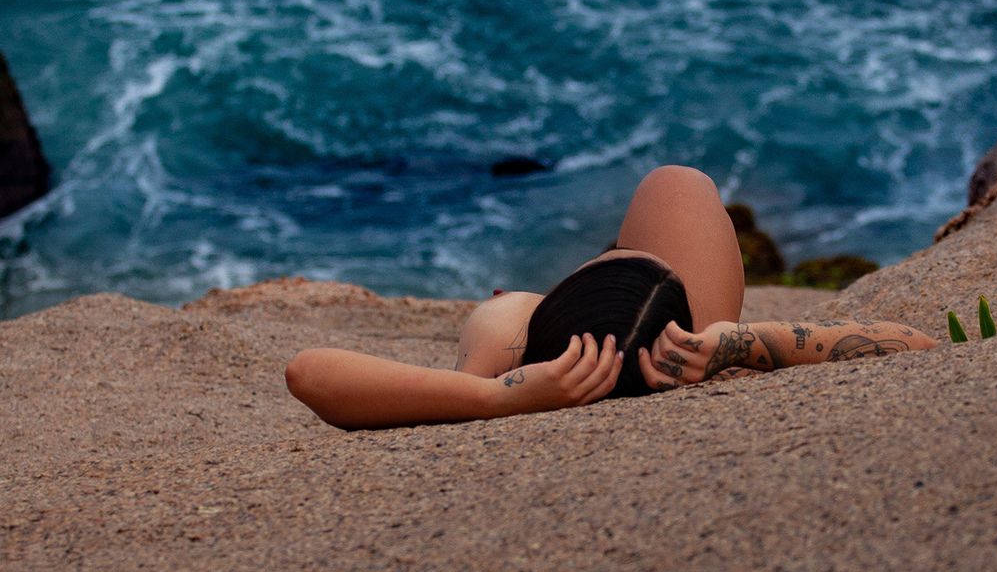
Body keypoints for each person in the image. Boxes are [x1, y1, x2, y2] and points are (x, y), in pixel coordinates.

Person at [285, 165, 937, 430]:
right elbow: (918, 346)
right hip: (655, 344)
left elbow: (309, 372)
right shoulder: (686, 349)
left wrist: (493, 396)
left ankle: (628, 268)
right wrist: (743, 343)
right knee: (679, 181)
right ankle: (640, 268)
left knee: (670, 187)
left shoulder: (504, 350)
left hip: (543, 334)